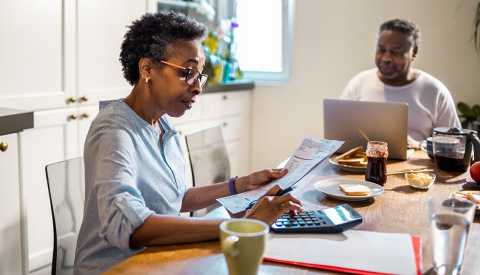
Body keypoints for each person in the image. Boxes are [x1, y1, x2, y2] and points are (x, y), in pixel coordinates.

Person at [74, 12, 302, 274]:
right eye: (187, 73)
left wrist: (241, 185)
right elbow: (128, 225)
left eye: (199, 76)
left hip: (159, 261)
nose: (197, 88)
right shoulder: (114, 130)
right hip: (117, 269)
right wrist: (239, 227)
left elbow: (174, 198)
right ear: (147, 69)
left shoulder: (163, 125)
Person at [341, 19, 461, 143]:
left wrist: (418, 148)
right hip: (363, 161)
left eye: (395, 52)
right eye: (381, 50)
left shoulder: (435, 91)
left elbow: (455, 144)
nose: (386, 58)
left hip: (416, 161)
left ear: (413, 52)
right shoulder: (359, 83)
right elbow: (339, 133)